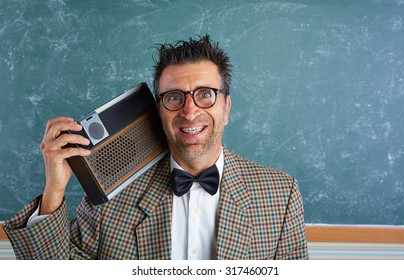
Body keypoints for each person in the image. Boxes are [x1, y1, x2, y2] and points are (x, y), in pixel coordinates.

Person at [3, 34, 308, 260]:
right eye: (174, 97)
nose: (189, 111)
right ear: (159, 110)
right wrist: (53, 190)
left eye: (205, 94)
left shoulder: (280, 195)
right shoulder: (109, 195)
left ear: (226, 108)